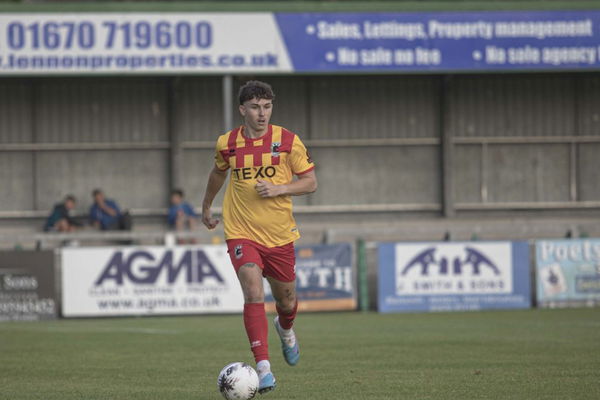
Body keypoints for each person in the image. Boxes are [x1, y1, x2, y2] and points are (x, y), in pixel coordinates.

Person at [201, 80, 317, 394]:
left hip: (279, 236)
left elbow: (310, 182)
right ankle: (263, 368)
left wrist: (280, 188)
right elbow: (218, 173)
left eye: (267, 106)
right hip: (240, 232)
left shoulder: (288, 141)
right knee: (253, 292)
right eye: (255, 107)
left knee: (286, 301)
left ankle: (286, 329)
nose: (262, 113)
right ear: (242, 109)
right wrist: (207, 206)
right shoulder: (227, 143)